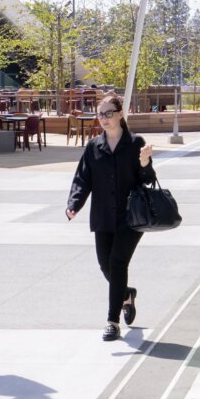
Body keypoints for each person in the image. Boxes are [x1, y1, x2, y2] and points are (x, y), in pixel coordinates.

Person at [67, 93, 156, 340]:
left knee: (117, 263)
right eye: (100, 114)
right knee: (105, 265)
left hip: (131, 217)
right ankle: (126, 295)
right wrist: (74, 204)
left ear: (120, 115)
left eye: (109, 113)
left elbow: (147, 180)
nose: (104, 119)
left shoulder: (136, 142)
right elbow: (82, 179)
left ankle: (112, 321)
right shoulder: (93, 146)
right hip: (103, 215)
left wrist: (145, 162)